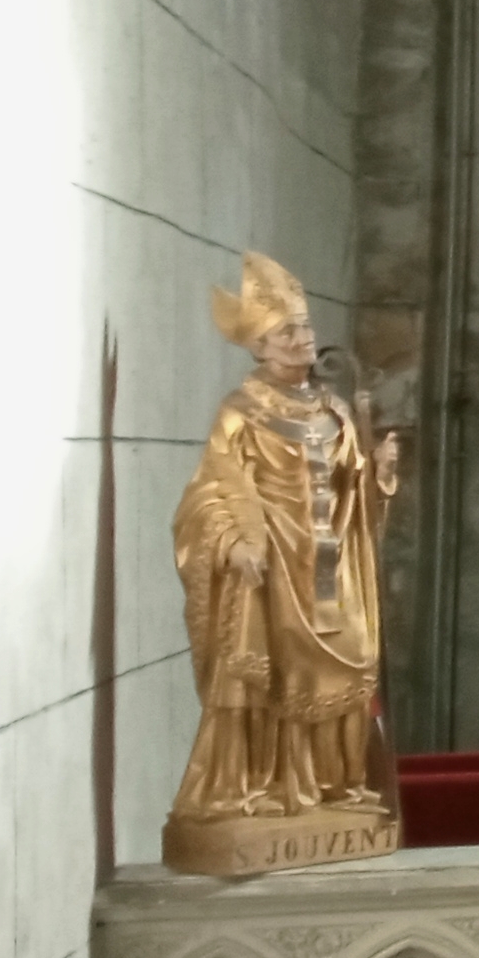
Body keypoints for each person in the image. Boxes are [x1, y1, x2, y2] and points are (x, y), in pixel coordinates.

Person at [168, 253, 403, 866]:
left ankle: (332, 785)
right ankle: (264, 787)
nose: (303, 339)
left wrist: (379, 475)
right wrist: (235, 542)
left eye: (304, 327)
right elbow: (212, 491)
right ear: (259, 347)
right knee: (273, 671)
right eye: (287, 332)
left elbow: (354, 491)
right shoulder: (241, 414)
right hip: (273, 565)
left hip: (330, 564)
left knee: (355, 656)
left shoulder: (335, 411)